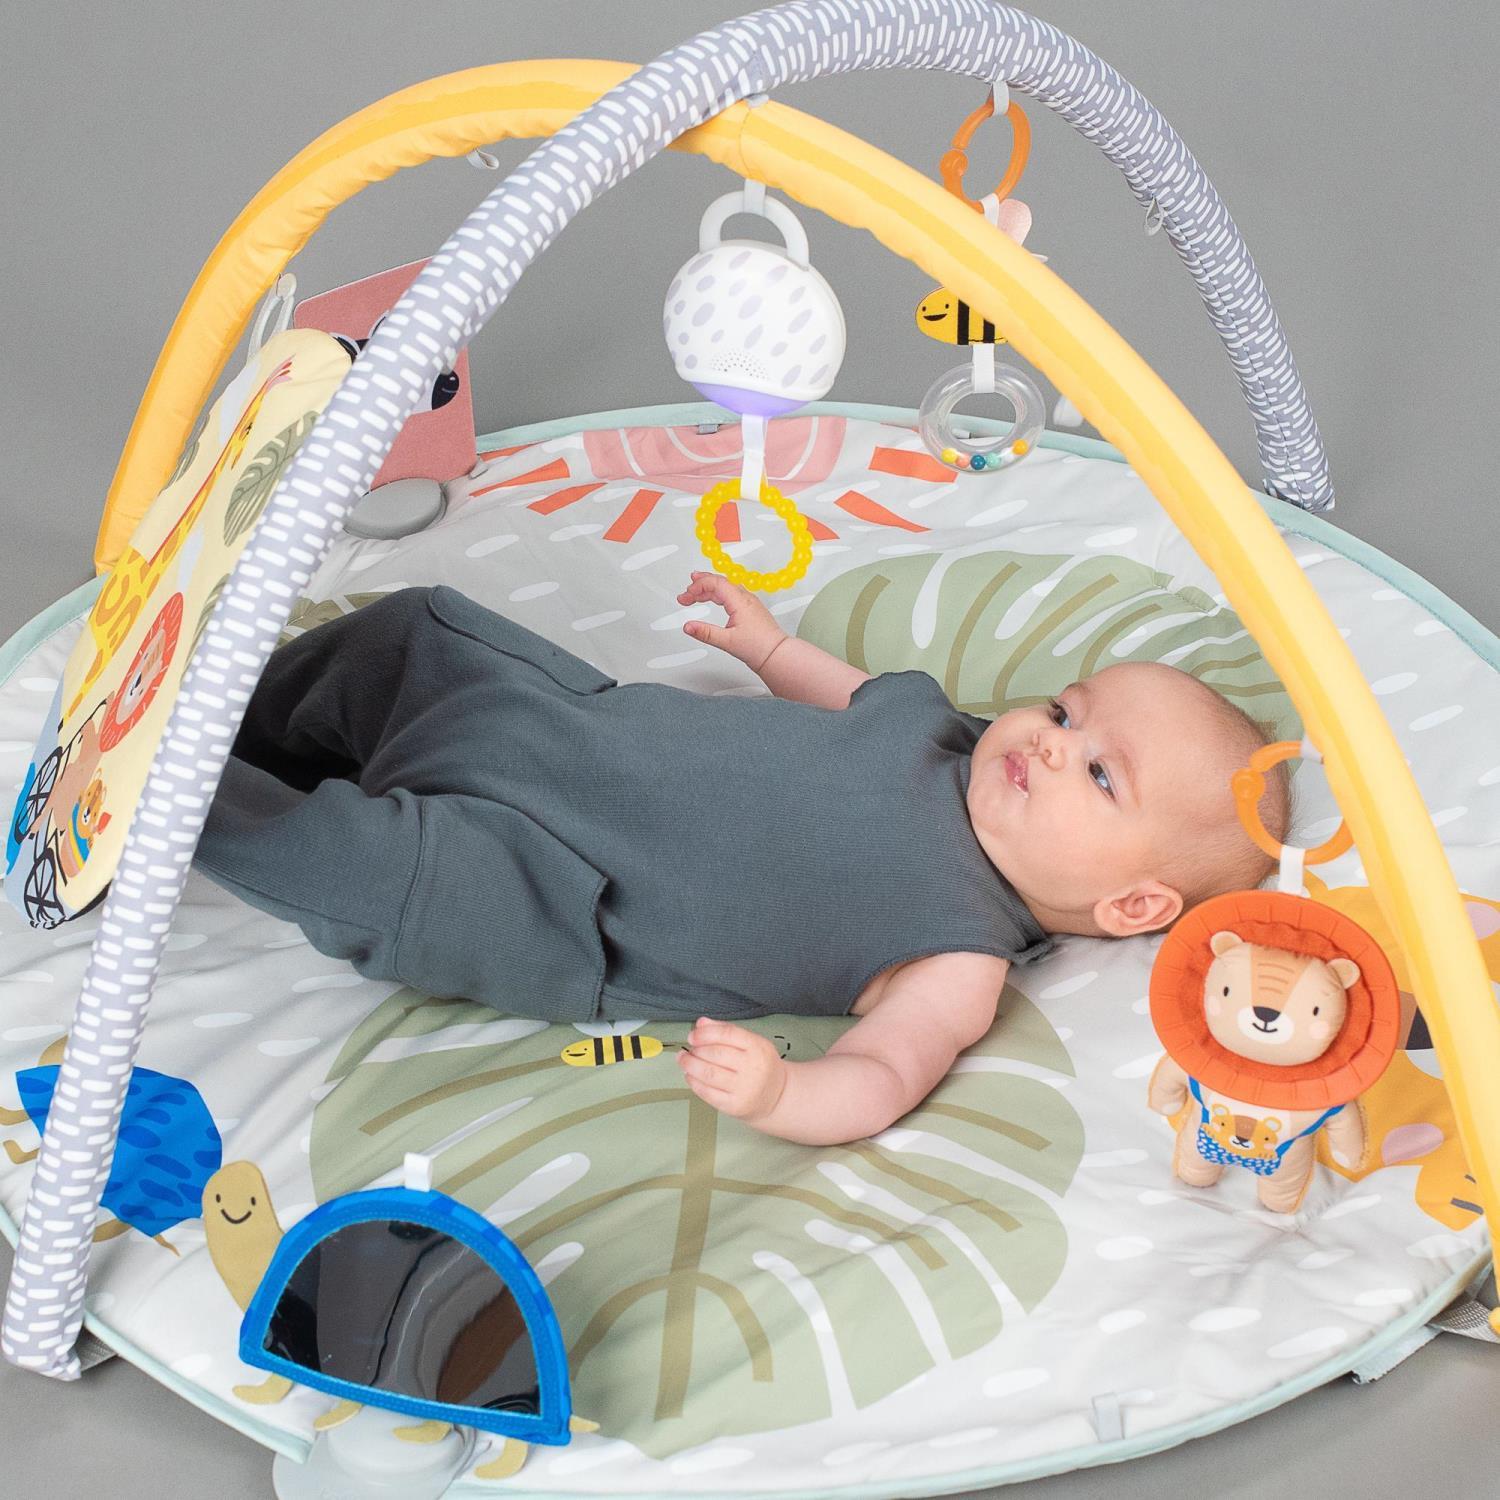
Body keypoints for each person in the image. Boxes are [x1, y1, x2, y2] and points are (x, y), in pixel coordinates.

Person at [194, 575, 1289, 1148]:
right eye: (1063, 709)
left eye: (1099, 775)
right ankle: (225, 709)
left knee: (360, 868)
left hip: (543, 892)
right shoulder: (947, 737)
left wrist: (782, 1094)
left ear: (1132, 904)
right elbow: (851, 696)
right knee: (418, 631)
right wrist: (768, 647)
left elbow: (884, 1076)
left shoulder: (960, 956)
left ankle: (173, 791)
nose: (1049, 741)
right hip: (552, 731)